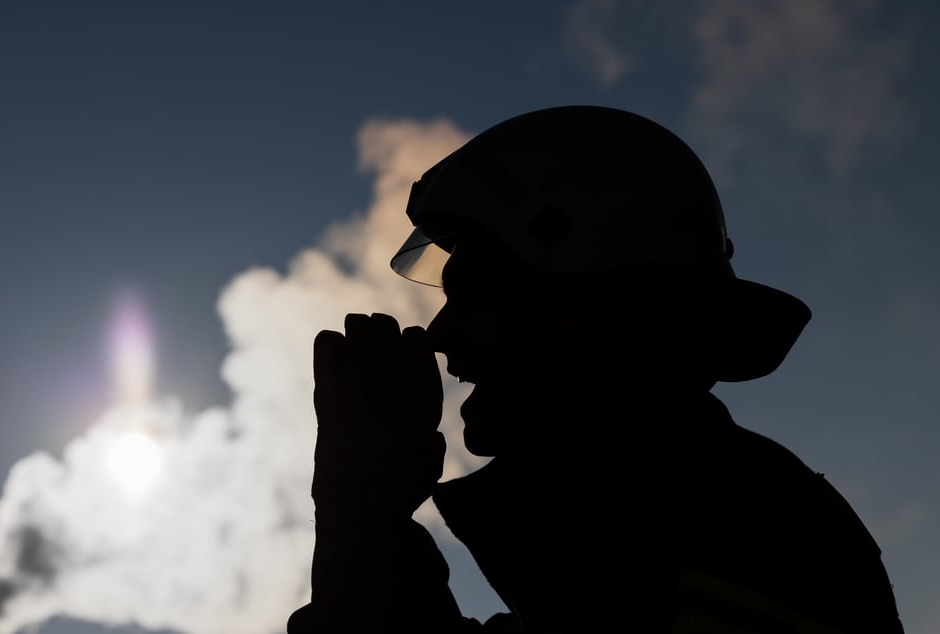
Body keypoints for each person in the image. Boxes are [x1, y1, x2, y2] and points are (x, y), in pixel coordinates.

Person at [287, 105, 904, 633]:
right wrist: (367, 520)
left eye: (468, 292)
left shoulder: (752, 535)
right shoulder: (692, 523)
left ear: (569, 299)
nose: (442, 333)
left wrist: (364, 521)